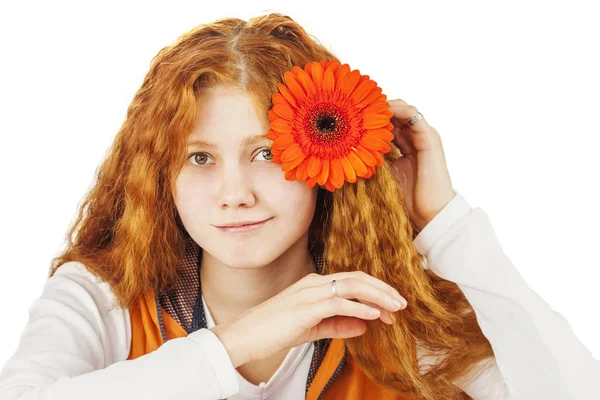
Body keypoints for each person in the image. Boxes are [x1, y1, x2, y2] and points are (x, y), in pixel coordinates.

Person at [0, 12, 598, 400]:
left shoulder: (387, 313)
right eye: (199, 159)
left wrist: (445, 225)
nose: (235, 193)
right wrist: (238, 343)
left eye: (265, 153)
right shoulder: (103, 295)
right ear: (159, 176)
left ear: (325, 161)